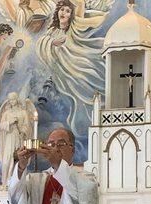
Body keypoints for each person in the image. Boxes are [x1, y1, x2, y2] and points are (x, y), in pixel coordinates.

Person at [9, 127, 98, 204]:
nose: (55, 148)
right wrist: (21, 167)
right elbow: (15, 195)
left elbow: (82, 195)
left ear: (73, 149)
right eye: (51, 144)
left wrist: (58, 163)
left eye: (61, 144)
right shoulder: (36, 180)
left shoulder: (85, 178)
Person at [35, 0, 110, 132]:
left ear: (71, 15)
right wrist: (52, 42)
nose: (63, 13)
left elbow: (89, 20)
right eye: (62, 9)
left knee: (84, 86)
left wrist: (103, 17)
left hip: (75, 62)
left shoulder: (73, 26)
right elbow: (41, 43)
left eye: (68, 11)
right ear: (57, 11)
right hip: (60, 68)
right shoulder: (52, 30)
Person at [0, 92, 36, 190]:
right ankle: (5, 182)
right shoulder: (6, 113)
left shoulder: (23, 112)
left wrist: (22, 131)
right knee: (7, 160)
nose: (12, 101)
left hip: (19, 138)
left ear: (17, 99)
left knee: (19, 159)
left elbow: (28, 126)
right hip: (9, 138)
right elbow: (1, 126)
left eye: (13, 99)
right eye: (10, 100)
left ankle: (17, 183)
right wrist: (9, 123)